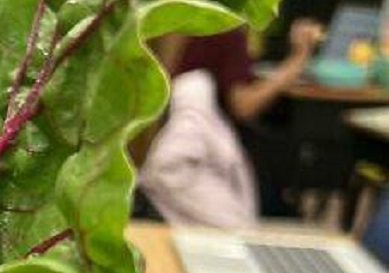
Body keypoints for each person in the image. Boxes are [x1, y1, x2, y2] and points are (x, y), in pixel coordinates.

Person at [137, 19, 325, 227]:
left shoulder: (190, 24)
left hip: (174, 165)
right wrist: (298, 59)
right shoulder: (226, 33)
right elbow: (244, 106)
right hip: (212, 167)